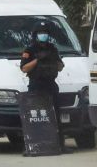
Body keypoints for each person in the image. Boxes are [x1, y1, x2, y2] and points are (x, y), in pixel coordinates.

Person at [21, 21, 65, 151]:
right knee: (36, 117)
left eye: (45, 33)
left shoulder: (52, 48)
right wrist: (38, 59)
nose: (43, 35)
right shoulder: (30, 50)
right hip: (36, 86)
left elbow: (60, 67)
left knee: (55, 116)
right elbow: (24, 68)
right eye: (41, 33)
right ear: (36, 35)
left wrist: (54, 60)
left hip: (50, 85)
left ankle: (59, 145)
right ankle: (35, 145)